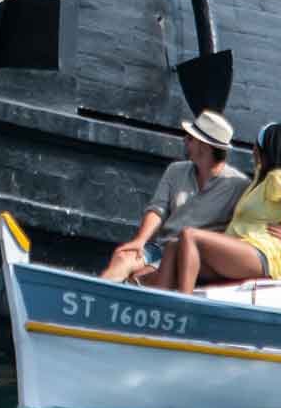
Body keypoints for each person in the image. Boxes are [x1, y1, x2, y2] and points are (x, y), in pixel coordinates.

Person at [155, 121, 281, 295]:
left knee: (189, 234)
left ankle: (183, 303)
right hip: (240, 249)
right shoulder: (258, 181)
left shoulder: (278, 179)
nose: (253, 148)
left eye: (256, 144)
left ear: (265, 150)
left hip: (261, 254)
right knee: (173, 246)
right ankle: (158, 303)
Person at [100, 110, 253, 283]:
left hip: (191, 257)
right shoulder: (176, 170)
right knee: (123, 257)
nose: (184, 140)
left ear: (203, 146)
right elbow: (157, 209)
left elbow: (251, 226)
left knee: (143, 278)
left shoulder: (239, 186)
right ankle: (92, 297)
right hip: (160, 247)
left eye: (189, 138)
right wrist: (140, 241)